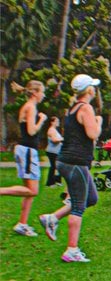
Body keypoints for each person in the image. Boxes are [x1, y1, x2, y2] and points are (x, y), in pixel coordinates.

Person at [38, 74, 103, 263]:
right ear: (89, 90)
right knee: (79, 207)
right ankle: (71, 250)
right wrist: (98, 123)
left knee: (91, 198)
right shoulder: (86, 108)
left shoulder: (72, 109)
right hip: (76, 162)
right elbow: (92, 134)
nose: (95, 90)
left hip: (67, 160)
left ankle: (53, 217)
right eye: (93, 87)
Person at [0, 81, 47, 237]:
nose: (44, 95)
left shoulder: (28, 107)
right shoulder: (31, 107)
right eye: (42, 92)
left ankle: (22, 224)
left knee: (29, 191)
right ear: (35, 93)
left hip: (26, 150)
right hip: (27, 150)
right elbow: (32, 131)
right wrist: (42, 120)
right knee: (32, 190)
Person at [46, 117, 64, 187]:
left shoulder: (55, 130)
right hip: (52, 151)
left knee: (58, 166)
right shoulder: (51, 130)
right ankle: (50, 183)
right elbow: (54, 140)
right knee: (53, 166)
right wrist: (62, 139)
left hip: (56, 151)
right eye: (56, 121)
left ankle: (58, 181)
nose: (58, 122)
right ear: (52, 122)